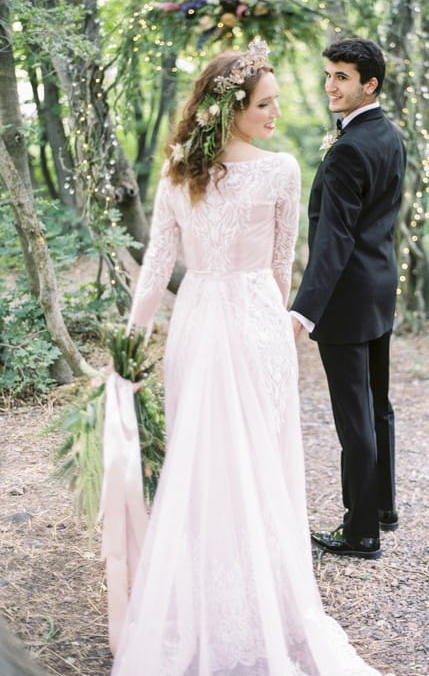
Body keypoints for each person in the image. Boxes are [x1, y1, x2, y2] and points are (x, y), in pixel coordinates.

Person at [109, 37, 385, 676]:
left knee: (239, 457)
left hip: (225, 322)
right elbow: (185, 266)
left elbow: (265, 264)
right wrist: (131, 339)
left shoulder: (227, 168)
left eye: (278, 103)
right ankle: (230, 594)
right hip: (227, 326)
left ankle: (255, 594)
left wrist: (272, 328)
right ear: (230, 108)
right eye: (265, 104)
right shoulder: (222, 171)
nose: (276, 115)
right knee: (217, 459)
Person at [291, 38, 406, 560]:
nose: (330, 86)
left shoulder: (348, 150)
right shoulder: (391, 136)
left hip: (345, 299)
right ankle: (382, 506)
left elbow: (334, 240)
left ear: (370, 84)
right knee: (377, 406)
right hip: (380, 289)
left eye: (342, 77)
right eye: (329, 75)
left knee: (355, 418)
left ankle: (361, 532)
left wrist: (304, 308)